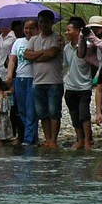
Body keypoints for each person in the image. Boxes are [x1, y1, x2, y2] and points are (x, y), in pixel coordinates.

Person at [25, 9, 62, 148]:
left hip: (54, 81)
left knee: (54, 111)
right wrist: (41, 53)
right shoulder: (34, 39)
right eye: (40, 22)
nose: (42, 25)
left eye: (45, 22)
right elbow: (27, 55)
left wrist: (36, 55)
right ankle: (47, 139)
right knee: (42, 112)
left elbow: (52, 53)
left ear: (52, 23)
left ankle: (54, 139)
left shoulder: (57, 38)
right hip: (38, 80)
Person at [63, 16, 95, 151]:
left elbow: (93, 64)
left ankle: (88, 140)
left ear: (77, 31)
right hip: (70, 86)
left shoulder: (88, 47)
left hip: (84, 85)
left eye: (68, 30)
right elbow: (66, 65)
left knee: (84, 114)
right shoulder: (66, 48)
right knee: (74, 114)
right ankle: (80, 139)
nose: (66, 32)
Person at [5, 19, 38, 145]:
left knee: (31, 110)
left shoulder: (38, 41)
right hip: (19, 77)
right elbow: (12, 59)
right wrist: (9, 75)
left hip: (33, 78)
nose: (28, 31)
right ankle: (32, 137)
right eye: (26, 28)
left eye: (31, 28)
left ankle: (28, 140)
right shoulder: (18, 42)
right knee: (21, 110)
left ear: (37, 29)